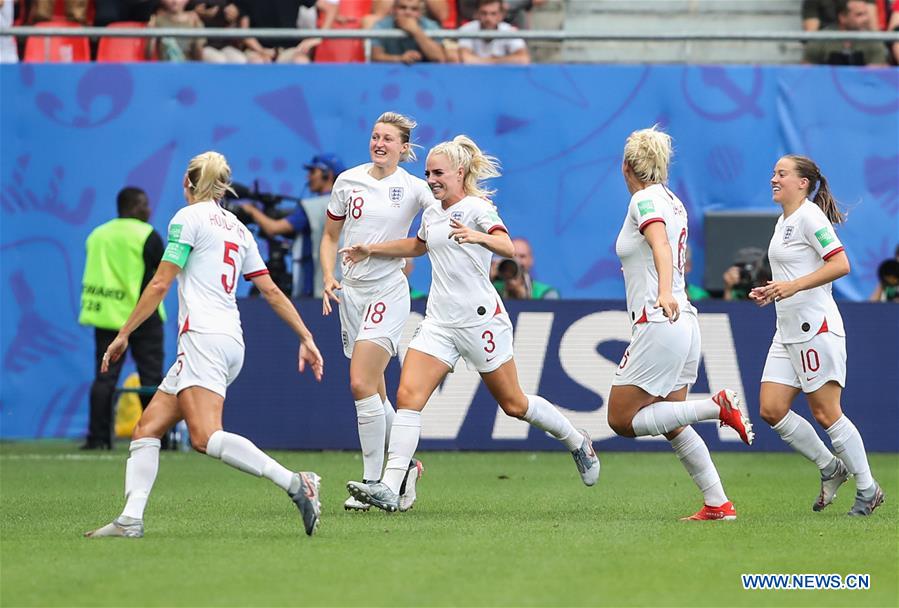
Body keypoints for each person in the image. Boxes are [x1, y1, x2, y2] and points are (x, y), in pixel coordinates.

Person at [341, 135, 600, 512]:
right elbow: (418, 246)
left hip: (480, 322)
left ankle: (577, 441)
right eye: (428, 172)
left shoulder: (478, 208)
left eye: (439, 173)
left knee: (514, 403)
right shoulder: (432, 212)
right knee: (407, 398)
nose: (431, 179)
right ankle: (390, 484)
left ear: (460, 173)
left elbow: (507, 247)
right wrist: (372, 248)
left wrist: (477, 235)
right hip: (439, 322)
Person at [85, 151, 325, 539]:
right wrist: (306, 335)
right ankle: (130, 518)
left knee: (205, 437)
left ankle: (297, 483)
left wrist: (124, 332)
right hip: (230, 340)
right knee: (148, 428)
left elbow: (161, 282)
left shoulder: (187, 218)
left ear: (187, 184)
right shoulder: (237, 227)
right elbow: (270, 290)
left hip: (203, 338)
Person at [606, 126, 753, 521]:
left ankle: (714, 406)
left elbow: (660, 245)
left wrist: (664, 291)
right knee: (673, 421)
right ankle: (718, 503)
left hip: (660, 318)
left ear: (625, 166)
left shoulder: (643, 201)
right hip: (683, 320)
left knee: (621, 420)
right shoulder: (673, 200)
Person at [749, 155, 884, 517]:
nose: (774, 178)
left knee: (827, 413)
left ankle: (868, 488)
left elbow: (840, 263)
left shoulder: (809, 216)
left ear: (803, 183)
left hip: (815, 328)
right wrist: (772, 291)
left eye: (782, 174)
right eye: (774, 172)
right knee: (771, 408)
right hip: (787, 330)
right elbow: (795, 273)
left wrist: (792, 286)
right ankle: (830, 467)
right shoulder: (784, 222)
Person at [319, 112, 433, 512]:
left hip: (388, 289)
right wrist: (329, 276)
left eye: (388, 139)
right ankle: (404, 473)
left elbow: (423, 242)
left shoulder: (416, 189)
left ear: (404, 148)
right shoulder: (347, 181)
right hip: (351, 294)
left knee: (359, 383)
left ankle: (370, 483)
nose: (379, 143)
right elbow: (331, 235)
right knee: (375, 391)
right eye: (375, 136)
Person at [79, 187, 166, 451]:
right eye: (144, 204)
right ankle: (154, 438)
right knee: (151, 379)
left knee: (104, 379)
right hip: (143, 317)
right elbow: (163, 273)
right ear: (131, 207)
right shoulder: (147, 235)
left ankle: (98, 439)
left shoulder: (97, 235)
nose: (149, 210)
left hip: (107, 317)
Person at [242, 153, 345, 298]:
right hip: (341, 288)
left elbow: (273, 228)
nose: (308, 177)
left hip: (315, 290)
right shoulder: (346, 203)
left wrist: (251, 211)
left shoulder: (313, 207)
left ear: (327, 174)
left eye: (312, 172)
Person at [803, 0, 888, 65]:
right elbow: (806, 73)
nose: (866, 19)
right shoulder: (821, 40)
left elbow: (876, 76)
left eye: (866, 14)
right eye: (859, 15)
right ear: (843, 17)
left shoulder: (873, 41)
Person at [370, 0, 446, 64]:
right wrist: (400, 59)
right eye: (403, 8)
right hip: (391, 76)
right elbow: (375, 58)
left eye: (414, 9)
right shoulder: (381, 26)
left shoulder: (431, 26)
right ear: (393, 10)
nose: (408, 12)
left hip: (425, 76)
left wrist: (416, 31)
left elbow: (439, 59)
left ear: (420, 13)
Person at [458, 0, 530, 65]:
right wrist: (498, 61)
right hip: (474, 75)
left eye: (493, 14)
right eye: (484, 13)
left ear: (501, 15)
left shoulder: (509, 31)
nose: (488, 18)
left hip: (501, 76)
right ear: (477, 14)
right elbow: (465, 59)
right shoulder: (466, 30)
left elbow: (523, 59)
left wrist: (489, 61)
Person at [492, 236, 558, 299]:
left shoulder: (546, 293)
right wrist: (488, 277)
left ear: (531, 260)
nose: (517, 261)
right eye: (513, 255)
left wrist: (522, 294)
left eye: (522, 256)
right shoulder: (493, 289)